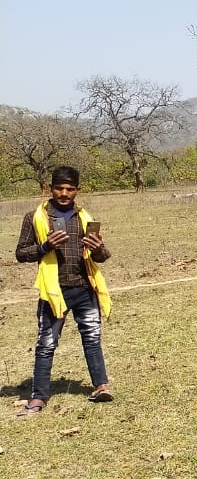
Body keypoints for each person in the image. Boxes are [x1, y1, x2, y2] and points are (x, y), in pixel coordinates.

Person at [14, 166, 112, 413]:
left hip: (84, 287)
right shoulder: (35, 217)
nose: (64, 193)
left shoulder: (85, 218)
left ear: (77, 190)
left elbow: (101, 256)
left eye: (69, 189)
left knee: (92, 338)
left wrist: (98, 248)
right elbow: (21, 253)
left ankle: (101, 386)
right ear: (51, 188)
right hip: (53, 291)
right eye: (59, 188)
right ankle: (39, 397)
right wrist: (44, 246)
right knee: (46, 343)